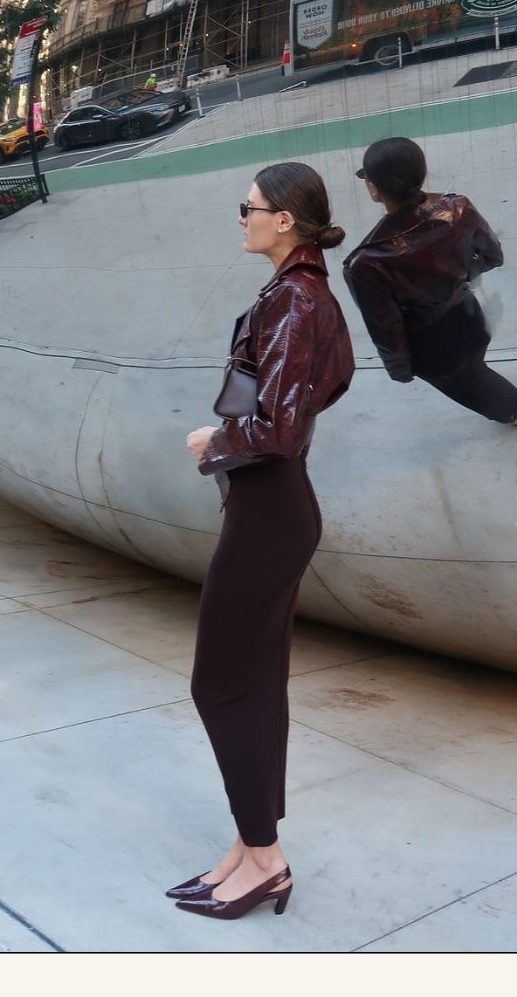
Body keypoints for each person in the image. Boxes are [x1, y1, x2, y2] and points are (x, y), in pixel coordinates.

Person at [175, 162, 356, 920]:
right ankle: (253, 848)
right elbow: (335, 379)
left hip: (269, 513)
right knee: (255, 683)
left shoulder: (295, 300)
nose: (241, 217)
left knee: (218, 683)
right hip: (275, 511)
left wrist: (212, 440)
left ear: (284, 218)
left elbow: (278, 430)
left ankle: (267, 857)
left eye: (247, 207)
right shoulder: (303, 293)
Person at [342, 137, 517, 426]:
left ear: (373, 187)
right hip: (470, 318)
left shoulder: (366, 261)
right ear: (422, 173)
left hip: (428, 346)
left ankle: (508, 412)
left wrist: (399, 368)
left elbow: (385, 327)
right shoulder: (457, 207)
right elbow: (492, 255)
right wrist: (459, 276)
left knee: (461, 383)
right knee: (475, 367)